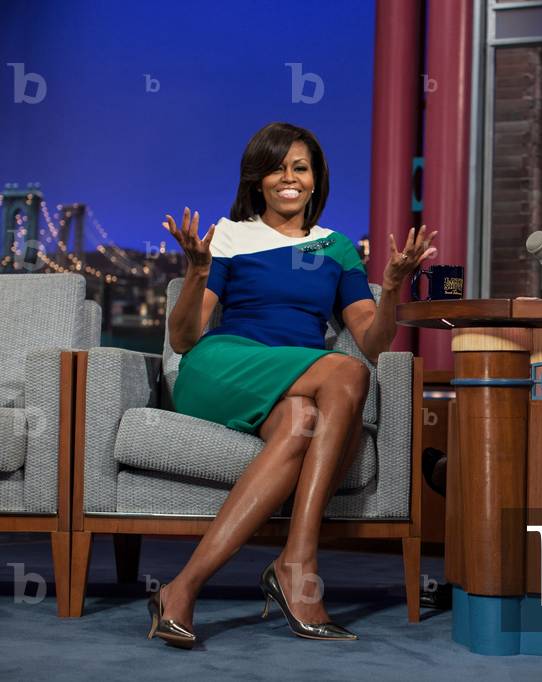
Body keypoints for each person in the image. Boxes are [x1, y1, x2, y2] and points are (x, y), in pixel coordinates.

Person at [147, 122, 437, 649]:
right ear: (257, 180)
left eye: (299, 168)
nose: (288, 178)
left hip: (294, 382)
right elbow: (185, 339)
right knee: (347, 372)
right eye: (277, 167)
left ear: (315, 179)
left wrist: (392, 287)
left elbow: (372, 341)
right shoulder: (230, 235)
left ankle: (181, 589)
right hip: (223, 367)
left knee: (306, 419)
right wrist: (195, 273)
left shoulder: (338, 248)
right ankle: (298, 564)